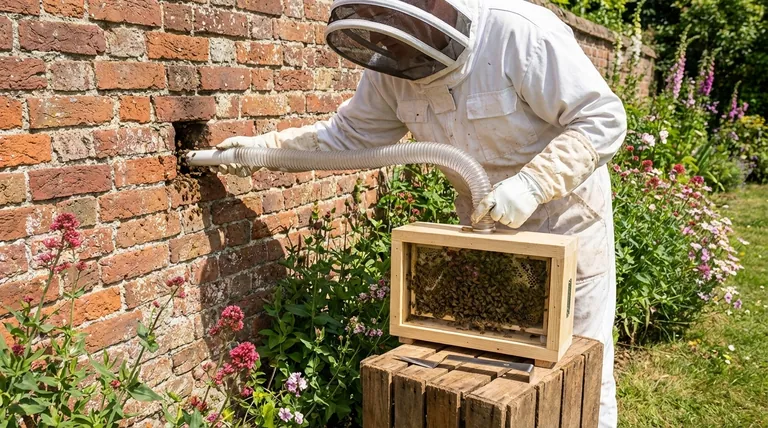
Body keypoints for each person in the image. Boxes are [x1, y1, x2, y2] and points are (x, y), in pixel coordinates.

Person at [212, 0, 626, 426]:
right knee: (488, 363)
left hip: (564, 223)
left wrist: (533, 184)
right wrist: (263, 151)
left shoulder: (519, 33)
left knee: (577, 364)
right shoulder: (393, 61)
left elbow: (602, 118)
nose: (389, 48)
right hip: (483, 229)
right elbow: (350, 137)